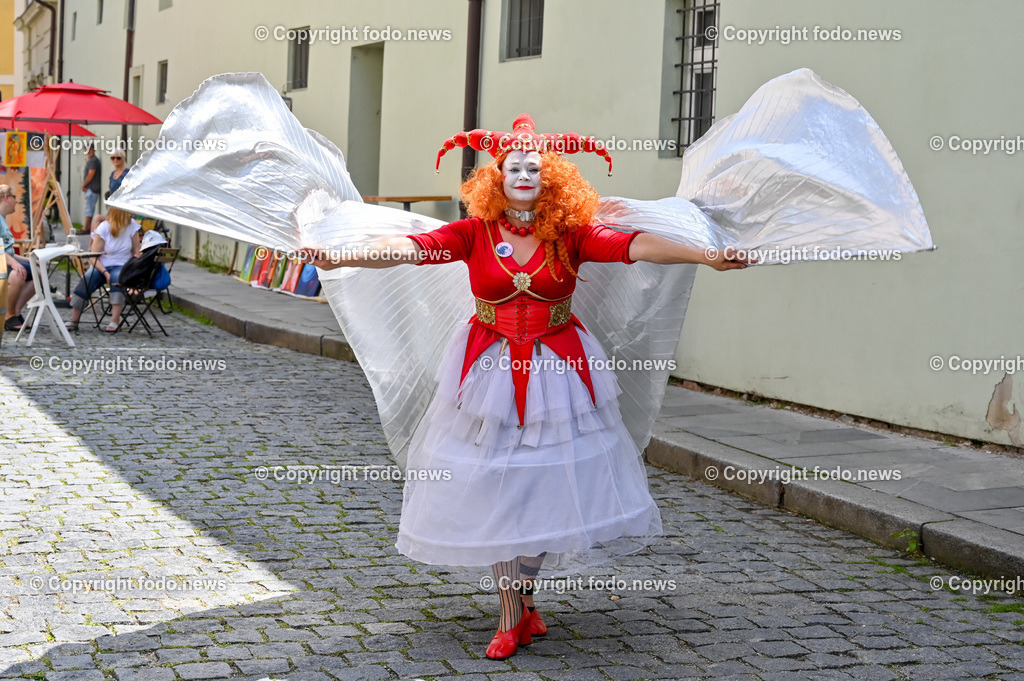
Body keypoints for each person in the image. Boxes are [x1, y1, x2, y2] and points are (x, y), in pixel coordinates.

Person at [304, 115, 749, 660]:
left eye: (533, 167)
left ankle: (520, 604)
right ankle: (514, 612)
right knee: (495, 481)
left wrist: (706, 255)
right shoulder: (472, 233)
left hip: (558, 375)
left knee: (540, 488)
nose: (522, 174)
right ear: (496, 176)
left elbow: (635, 246)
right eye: (512, 166)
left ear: (551, 178)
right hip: (487, 373)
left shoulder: (572, 234)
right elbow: (408, 246)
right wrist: (342, 256)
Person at [66, 206, 141, 332]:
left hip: (122, 264)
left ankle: (115, 320)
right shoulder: (104, 227)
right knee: (87, 279)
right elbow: (93, 257)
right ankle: (74, 319)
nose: (132, 216)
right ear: (121, 214)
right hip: (102, 265)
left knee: (117, 278)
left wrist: (135, 265)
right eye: (129, 213)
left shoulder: (132, 226)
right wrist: (105, 273)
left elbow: (136, 251)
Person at [1, 185, 34, 332]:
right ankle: (7, 316)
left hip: (5, 260)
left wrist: (31, 260)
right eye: (14, 197)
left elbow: (9, 252)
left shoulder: (3, 219)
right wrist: (15, 264)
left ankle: (15, 311)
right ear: (7, 198)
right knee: (18, 274)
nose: (17, 201)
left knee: (39, 273)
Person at [81, 144, 102, 233]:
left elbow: (91, 174)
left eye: (90, 149)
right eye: (86, 150)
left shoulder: (93, 161)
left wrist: (83, 185)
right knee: (88, 208)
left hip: (92, 189)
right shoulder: (91, 160)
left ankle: (86, 228)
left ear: (94, 150)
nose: (88, 151)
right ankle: (87, 227)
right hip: (91, 188)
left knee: (89, 209)